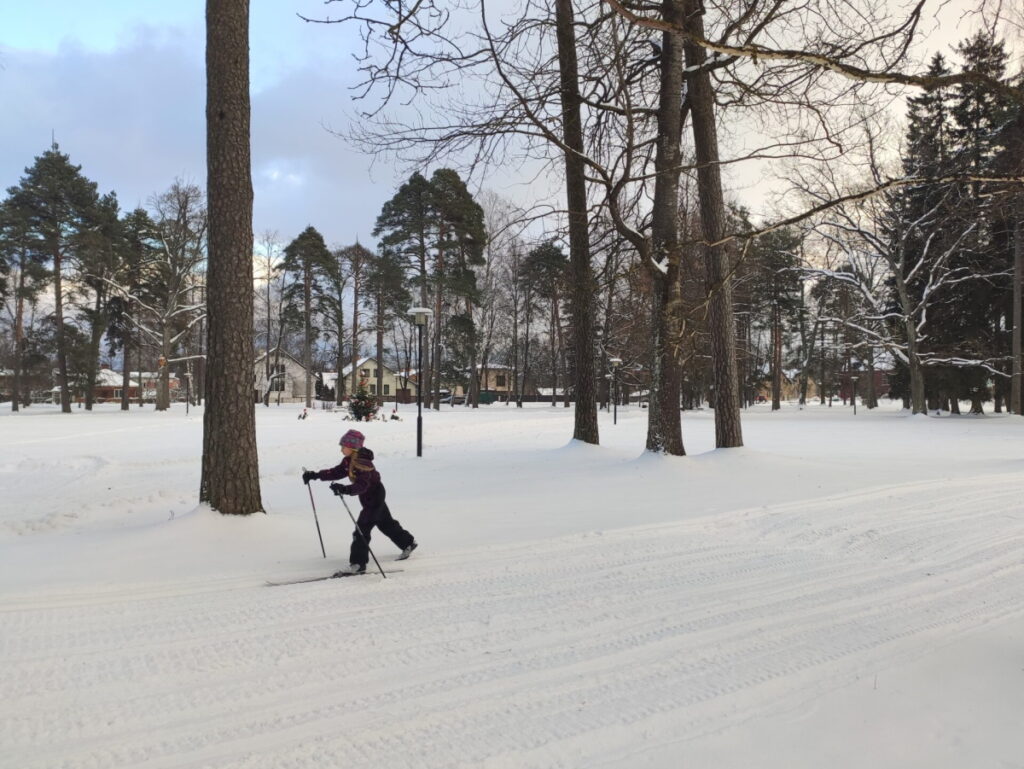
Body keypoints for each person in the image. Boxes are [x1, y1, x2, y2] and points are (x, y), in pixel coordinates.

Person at [302, 429, 417, 575]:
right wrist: (315, 475)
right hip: (370, 496)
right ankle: (408, 543)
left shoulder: (363, 463)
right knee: (386, 523)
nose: (341, 449)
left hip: (373, 498)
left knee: (361, 530)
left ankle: (358, 564)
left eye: (343, 446)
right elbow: (337, 472)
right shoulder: (349, 460)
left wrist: (345, 489)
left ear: (352, 447)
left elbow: (362, 485)